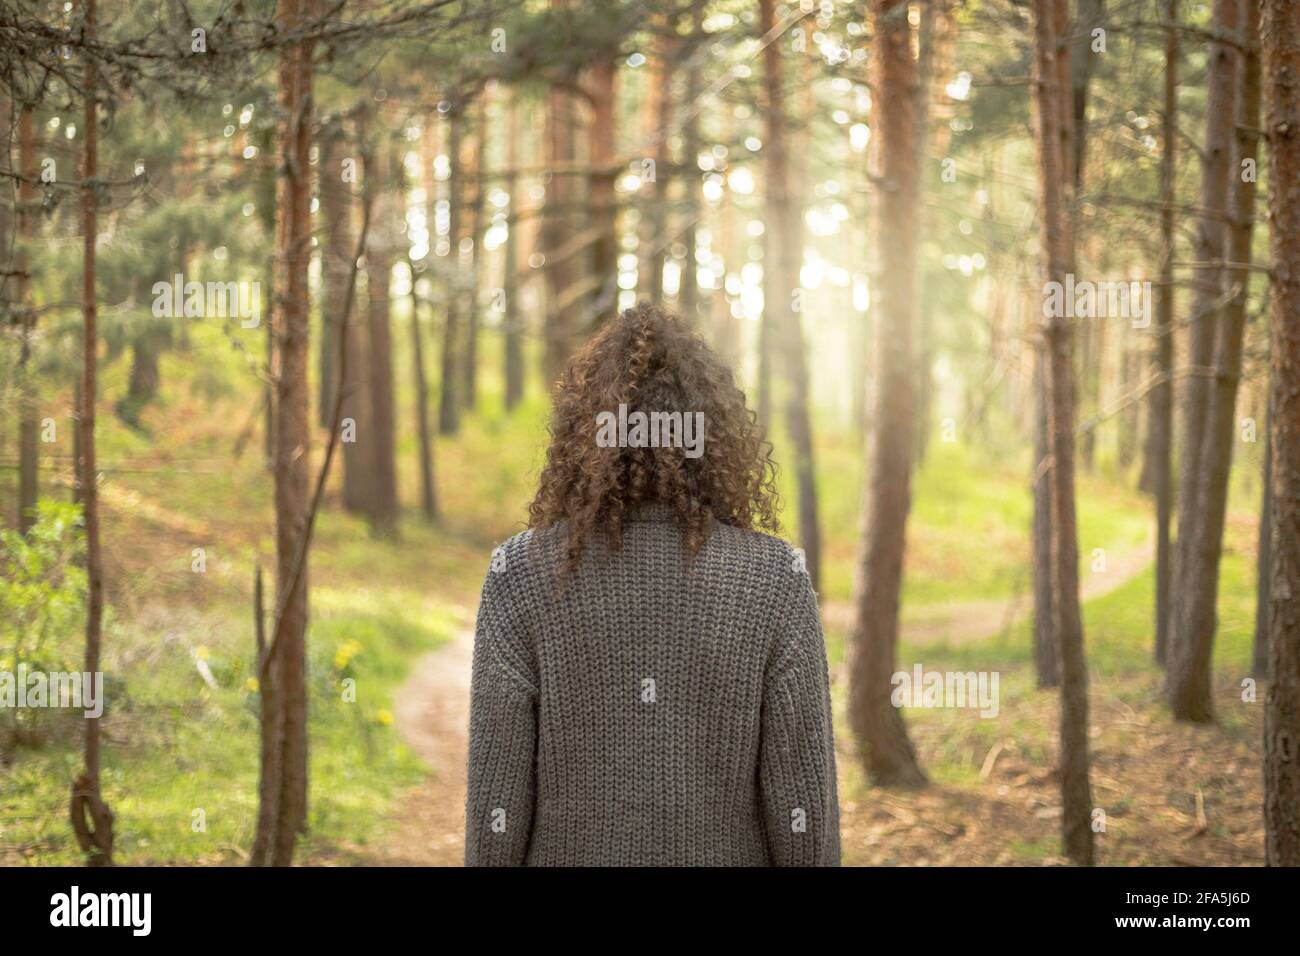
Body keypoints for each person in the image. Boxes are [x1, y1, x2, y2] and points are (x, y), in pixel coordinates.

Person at [464, 303, 840, 866]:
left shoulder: (520, 574)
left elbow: (496, 814)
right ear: (715, 435)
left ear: (580, 435)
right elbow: (804, 826)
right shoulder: (775, 580)